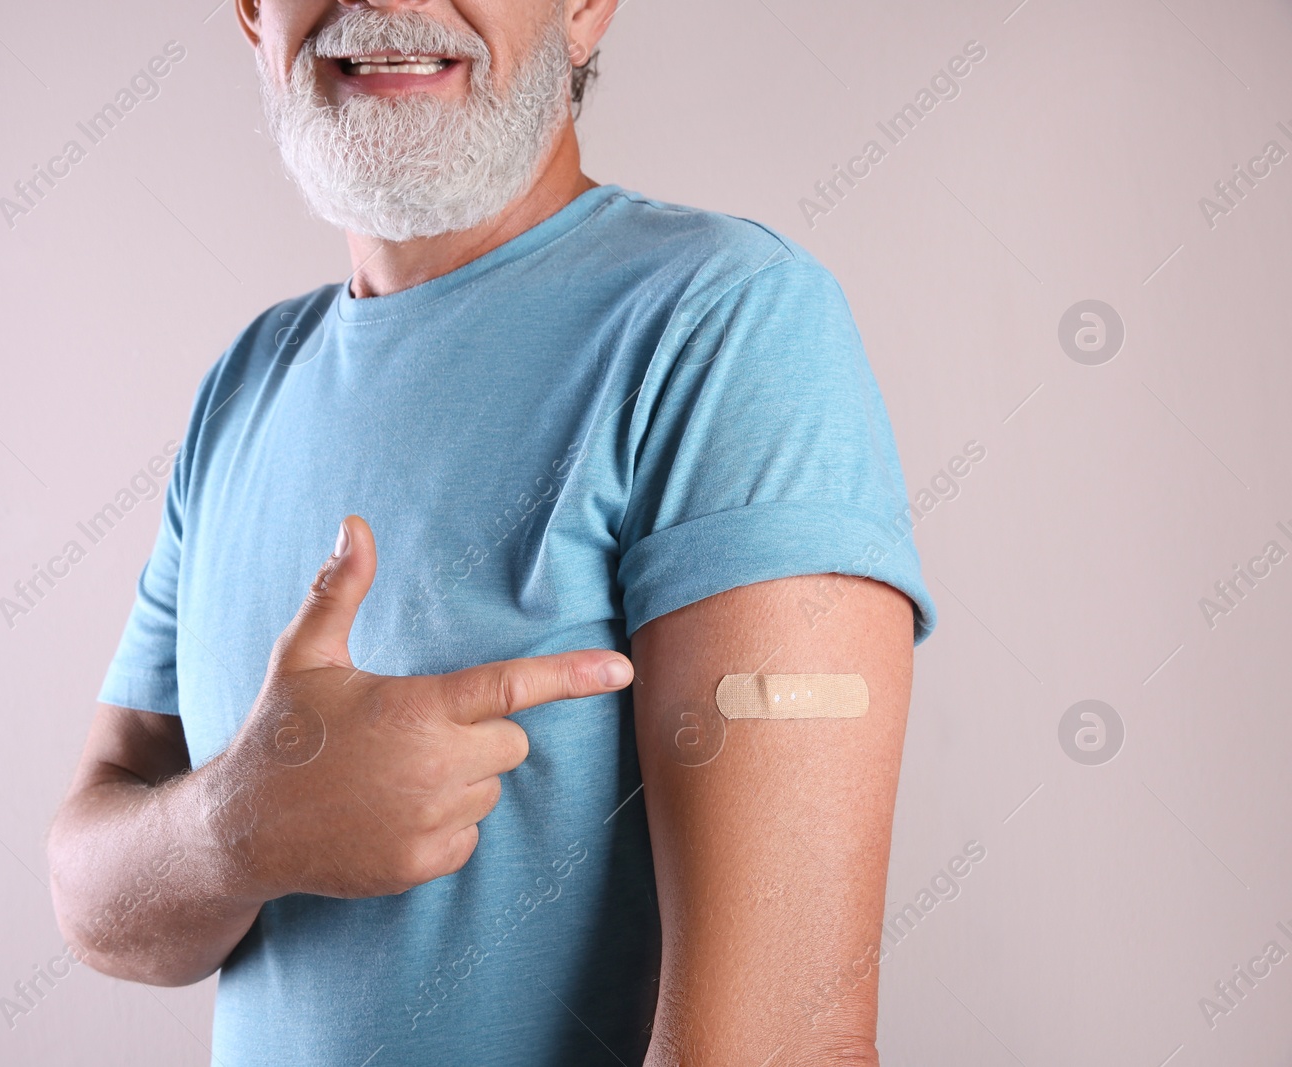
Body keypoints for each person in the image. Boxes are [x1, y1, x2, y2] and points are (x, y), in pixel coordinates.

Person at [48, 1, 936, 1064]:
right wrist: (241, 823)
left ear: (586, 8)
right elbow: (90, 897)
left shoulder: (726, 327)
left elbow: (781, 1046)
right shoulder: (244, 388)